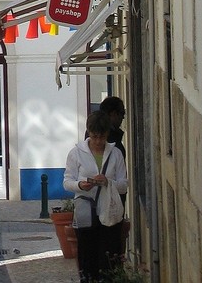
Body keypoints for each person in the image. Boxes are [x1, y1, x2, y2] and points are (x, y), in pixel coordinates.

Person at [63, 111, 127, 282]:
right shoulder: (76, 153)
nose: (98, 141)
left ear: (107, 134)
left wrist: (108, 182)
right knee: (87, 257)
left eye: (102, 137)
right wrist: (80, 185)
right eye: (94, 136)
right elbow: (67, 181)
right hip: (86, 212)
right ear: (89, 133)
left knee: (109, 259)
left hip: (110, 212)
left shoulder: (116, 154)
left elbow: (124, 185)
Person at [98, 96, 126, 161]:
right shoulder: (109, 137)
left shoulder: (113, 135)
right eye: (122, 113)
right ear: (113, 114)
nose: (123, 117)